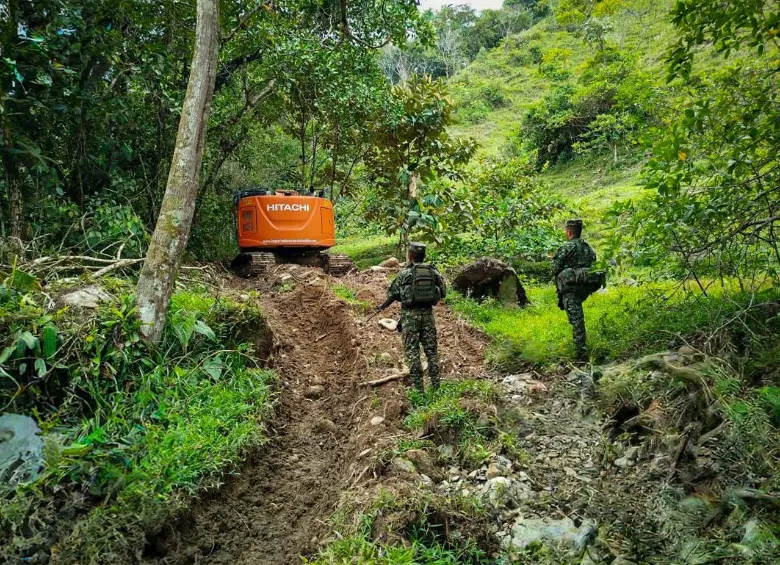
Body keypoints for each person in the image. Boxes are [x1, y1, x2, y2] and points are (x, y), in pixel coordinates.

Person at [376, 242, 447, 393]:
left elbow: (392, 293)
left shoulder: (404, 274)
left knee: (412, 353)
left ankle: (419, 391)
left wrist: (383, 306)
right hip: (428, 316)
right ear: (424, 256)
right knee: (432, 352)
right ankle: (436, 388)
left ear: (410, 256)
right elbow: (444, 292)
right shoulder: (433, 272)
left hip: (409, 318)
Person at [552, 219, 597, 362]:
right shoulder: (588, 248)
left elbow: (554, 268)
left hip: (571, 288)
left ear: (569, 231)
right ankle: (580, 349)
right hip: (586, 287)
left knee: (577, 320)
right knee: (576, 317)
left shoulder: (567, 247)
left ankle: (581, 353)